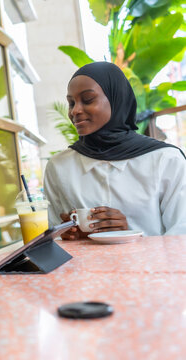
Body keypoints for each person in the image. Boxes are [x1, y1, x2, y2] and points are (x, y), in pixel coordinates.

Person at [44, 61, 186, 239]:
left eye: (87, 100)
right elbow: (50, 240)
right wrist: (67, 236)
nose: (75, 111)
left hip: (151, 267)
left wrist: (130, 236)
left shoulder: (166, 160)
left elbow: (181, 240)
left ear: (116, 98)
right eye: (71, 103)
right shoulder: (58, 167)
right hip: (84, 267)